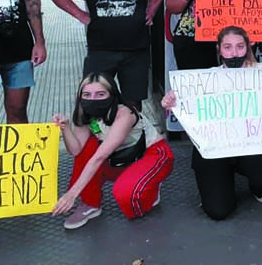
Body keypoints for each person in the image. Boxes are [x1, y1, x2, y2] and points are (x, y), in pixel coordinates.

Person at [161, 25, 262, 220]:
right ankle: (218, 182)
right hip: (215, 151)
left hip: (251, 147)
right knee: (218, 211)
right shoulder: (204, 80)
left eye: (239, 47)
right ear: (218, 49)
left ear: (248, 47)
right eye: (227, 47)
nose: (234, 53)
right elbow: (186, 106)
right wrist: (171, 103)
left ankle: (256, 184)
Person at [52, 72, 173, 229]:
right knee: (87, 148)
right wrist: (66, 127)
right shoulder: (85, 114)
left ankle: (150, 186)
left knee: (126, 195)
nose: (92, 99)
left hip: (151, 154)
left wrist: (72, 194)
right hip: (121, 157)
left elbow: (100, 156)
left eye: (100, 94)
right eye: (87, 94)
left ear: (112, 95)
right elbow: (76, 151)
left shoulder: (125, 113)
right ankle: (90, 204)